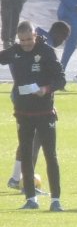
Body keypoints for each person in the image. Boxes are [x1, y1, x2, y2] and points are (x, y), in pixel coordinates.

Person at [1, 21, 67, 210]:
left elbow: (61, 79)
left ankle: (56, 201)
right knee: (27, 155)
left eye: (29, 39)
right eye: (22, 40)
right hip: (23, 113)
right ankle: (30, 199)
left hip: (45, 112)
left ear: (35, 36)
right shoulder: (15, 51)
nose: (26, 43)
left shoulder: (46, 51)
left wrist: (45, 89)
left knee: (50, 155)